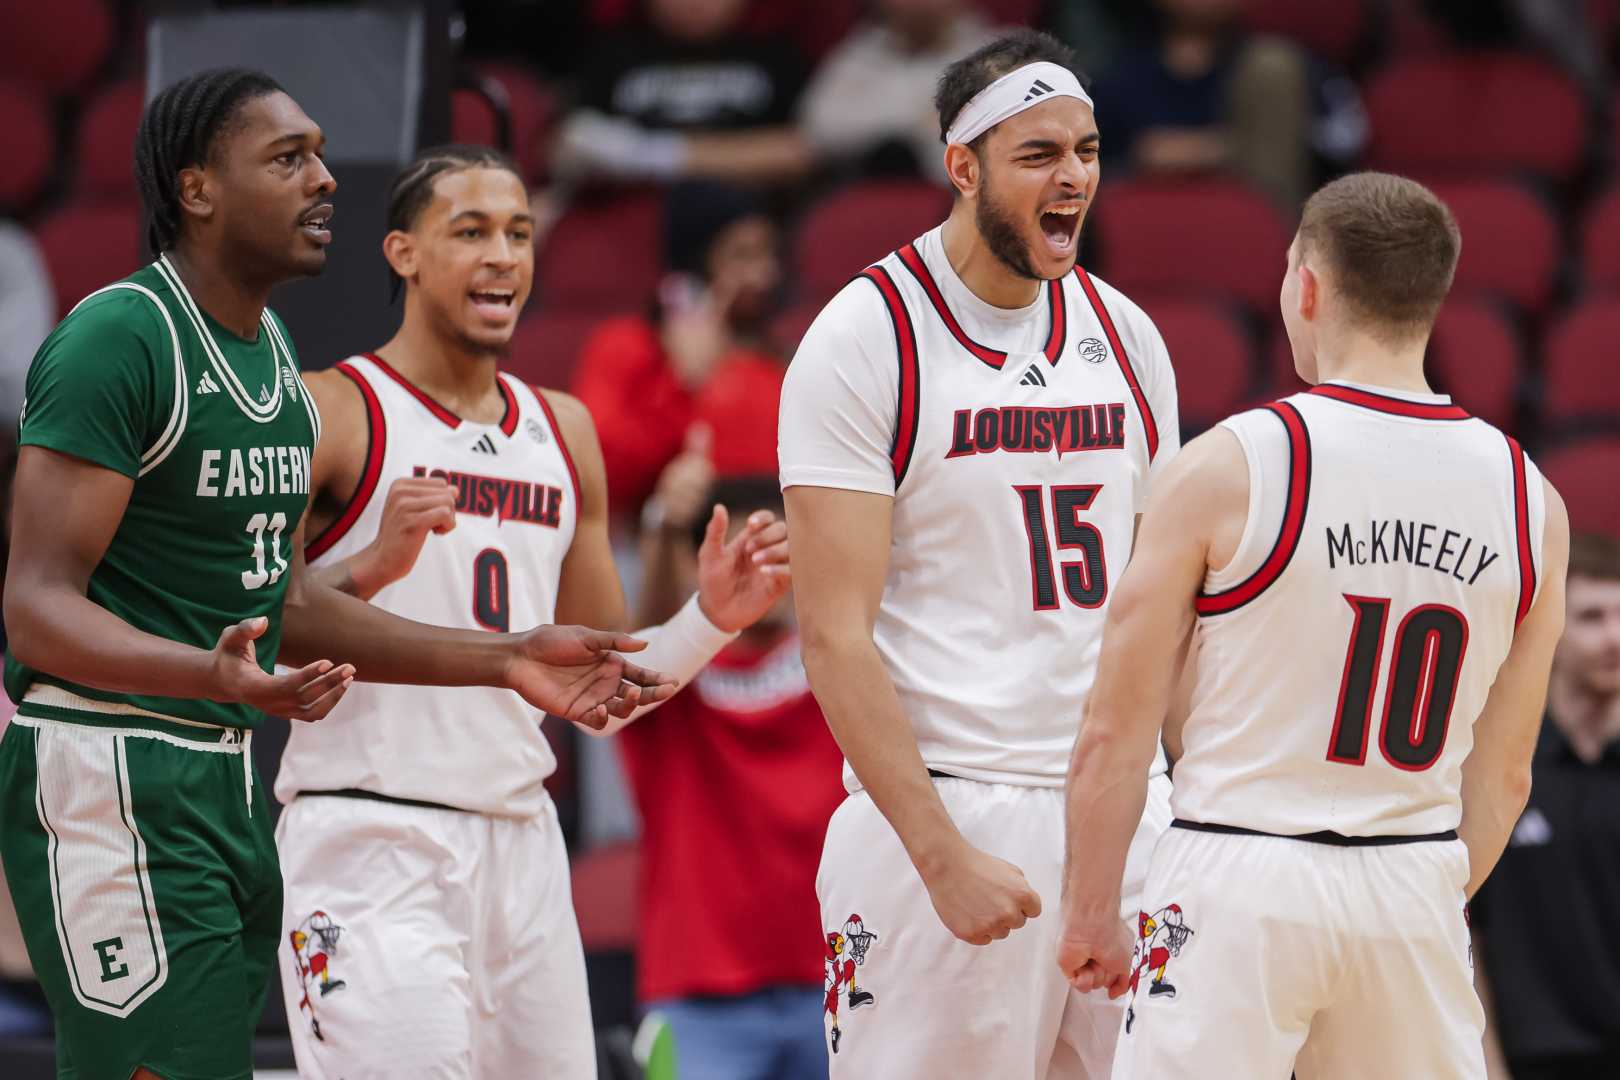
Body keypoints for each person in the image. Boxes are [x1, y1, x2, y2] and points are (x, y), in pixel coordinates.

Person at [0, 70, 673, 1080]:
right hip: (114, 766)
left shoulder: (269, 355)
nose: (323, 180)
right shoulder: (120, 336)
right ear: (197, 189)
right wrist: (214, 673)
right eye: (287, 159)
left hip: (223, 771)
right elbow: (37, 612)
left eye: (318, 153)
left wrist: (500, 653)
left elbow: (291, 605)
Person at [273, 144, 790, 1079]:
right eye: (469, 231)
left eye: (517, 232)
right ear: (402, 254)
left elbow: (605, 687)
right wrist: (375, 564)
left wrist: (709, 616)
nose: (503, 254)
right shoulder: (335, 411)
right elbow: (256, 612)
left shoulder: (564, 428)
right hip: (372, 837)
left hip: (522, 846)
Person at [1058, 172, 1570, 1079]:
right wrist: (1418, 890)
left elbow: (1115, 726)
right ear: (1433, 294)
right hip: (1411, 877)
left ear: (1307, 286)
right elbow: (1506, 772)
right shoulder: (1531, 498)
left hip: (1239, 874)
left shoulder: (1229, 466)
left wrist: (1093, 908)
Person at [778, 29, 1181, 1077]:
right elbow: (831, 636)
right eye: (1039, 154)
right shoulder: (865, 339)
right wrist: (939, 854)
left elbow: (1168, 603)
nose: (1074, 178)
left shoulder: (1129, 337)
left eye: (1087, 151)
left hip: (1126, 809)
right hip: (950, 802)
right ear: (961, 169)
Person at [1473, 531, 1620, 1080]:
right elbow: (1465, 938)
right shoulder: (1499, 769)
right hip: (1533, 1059)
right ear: (1552, 628)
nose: (1613, 637)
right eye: (1591, 618)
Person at [572, 181, 783, 516]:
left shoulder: (781, 361)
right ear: (694, 269)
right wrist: (682, 381)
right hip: (655, 549)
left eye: (767, 253)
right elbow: (600, 473)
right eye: (742, 256)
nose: (765, 274)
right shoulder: (626, 346)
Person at [552, 0, 812, 187]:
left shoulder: (775, 58)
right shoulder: (611, 56)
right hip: (633, 219)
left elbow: (801, 152)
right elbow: (566, 146)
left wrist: (654, 155)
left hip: (745, 218)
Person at [1086, 0, 1314, 208]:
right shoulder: (1118, 76)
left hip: (1252, 226)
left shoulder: (1271, 70)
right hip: (1147, 223)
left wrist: (1210, 151)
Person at [799, 0, 1000, 184]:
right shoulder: (857, 53)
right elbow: (819, 130)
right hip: (863, 192)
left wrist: (877, 111)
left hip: (959, 201)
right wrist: (920, 121)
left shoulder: (999, 54)